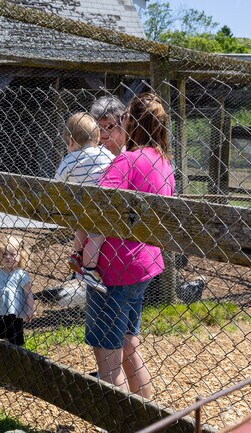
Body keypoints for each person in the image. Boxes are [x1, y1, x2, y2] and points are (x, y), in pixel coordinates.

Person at [85, 92, 176, 399]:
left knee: (107, 354)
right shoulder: (164, 162)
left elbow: (101, 207)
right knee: (128, 344)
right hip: (145, 264)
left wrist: (88, 253)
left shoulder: (127, 159)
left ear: (131, 123)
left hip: (114, 268)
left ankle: (120, 422)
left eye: (123, 120)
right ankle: (149, 420)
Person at [54, 112, 114, 292]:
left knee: (81, 229)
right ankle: (88, 269)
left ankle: (79, 257)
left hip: (79, 208)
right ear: (97, 139)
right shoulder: (105, 155)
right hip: (100, 208)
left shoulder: (69, 159)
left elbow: (57, 182)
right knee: (97, 237)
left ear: (71, 141)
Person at [0, 235, 33, 346]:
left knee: (16, 336)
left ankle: (17, 354)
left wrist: (30, 309)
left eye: (13, 254)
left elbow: (28, 293)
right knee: (1, 334)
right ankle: (4, 354)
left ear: (21, 255)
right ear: (0, 255)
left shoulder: (21, 274)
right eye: (5, 254)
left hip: (15, 311)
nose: (8, 257)